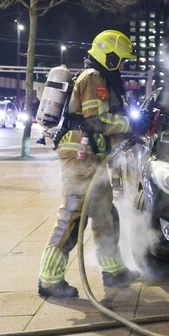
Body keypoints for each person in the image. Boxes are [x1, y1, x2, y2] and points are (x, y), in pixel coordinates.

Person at [37, 30, 139, 298]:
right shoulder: (93, 79)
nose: (122, 65)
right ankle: (49, 279)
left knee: (105, 213)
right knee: (72, 216)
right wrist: (132, 123)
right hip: (80, 156)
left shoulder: (101, 77)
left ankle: (113, 270)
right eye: (120, 59)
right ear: (109, 55)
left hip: (92, 156)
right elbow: (97, 122)